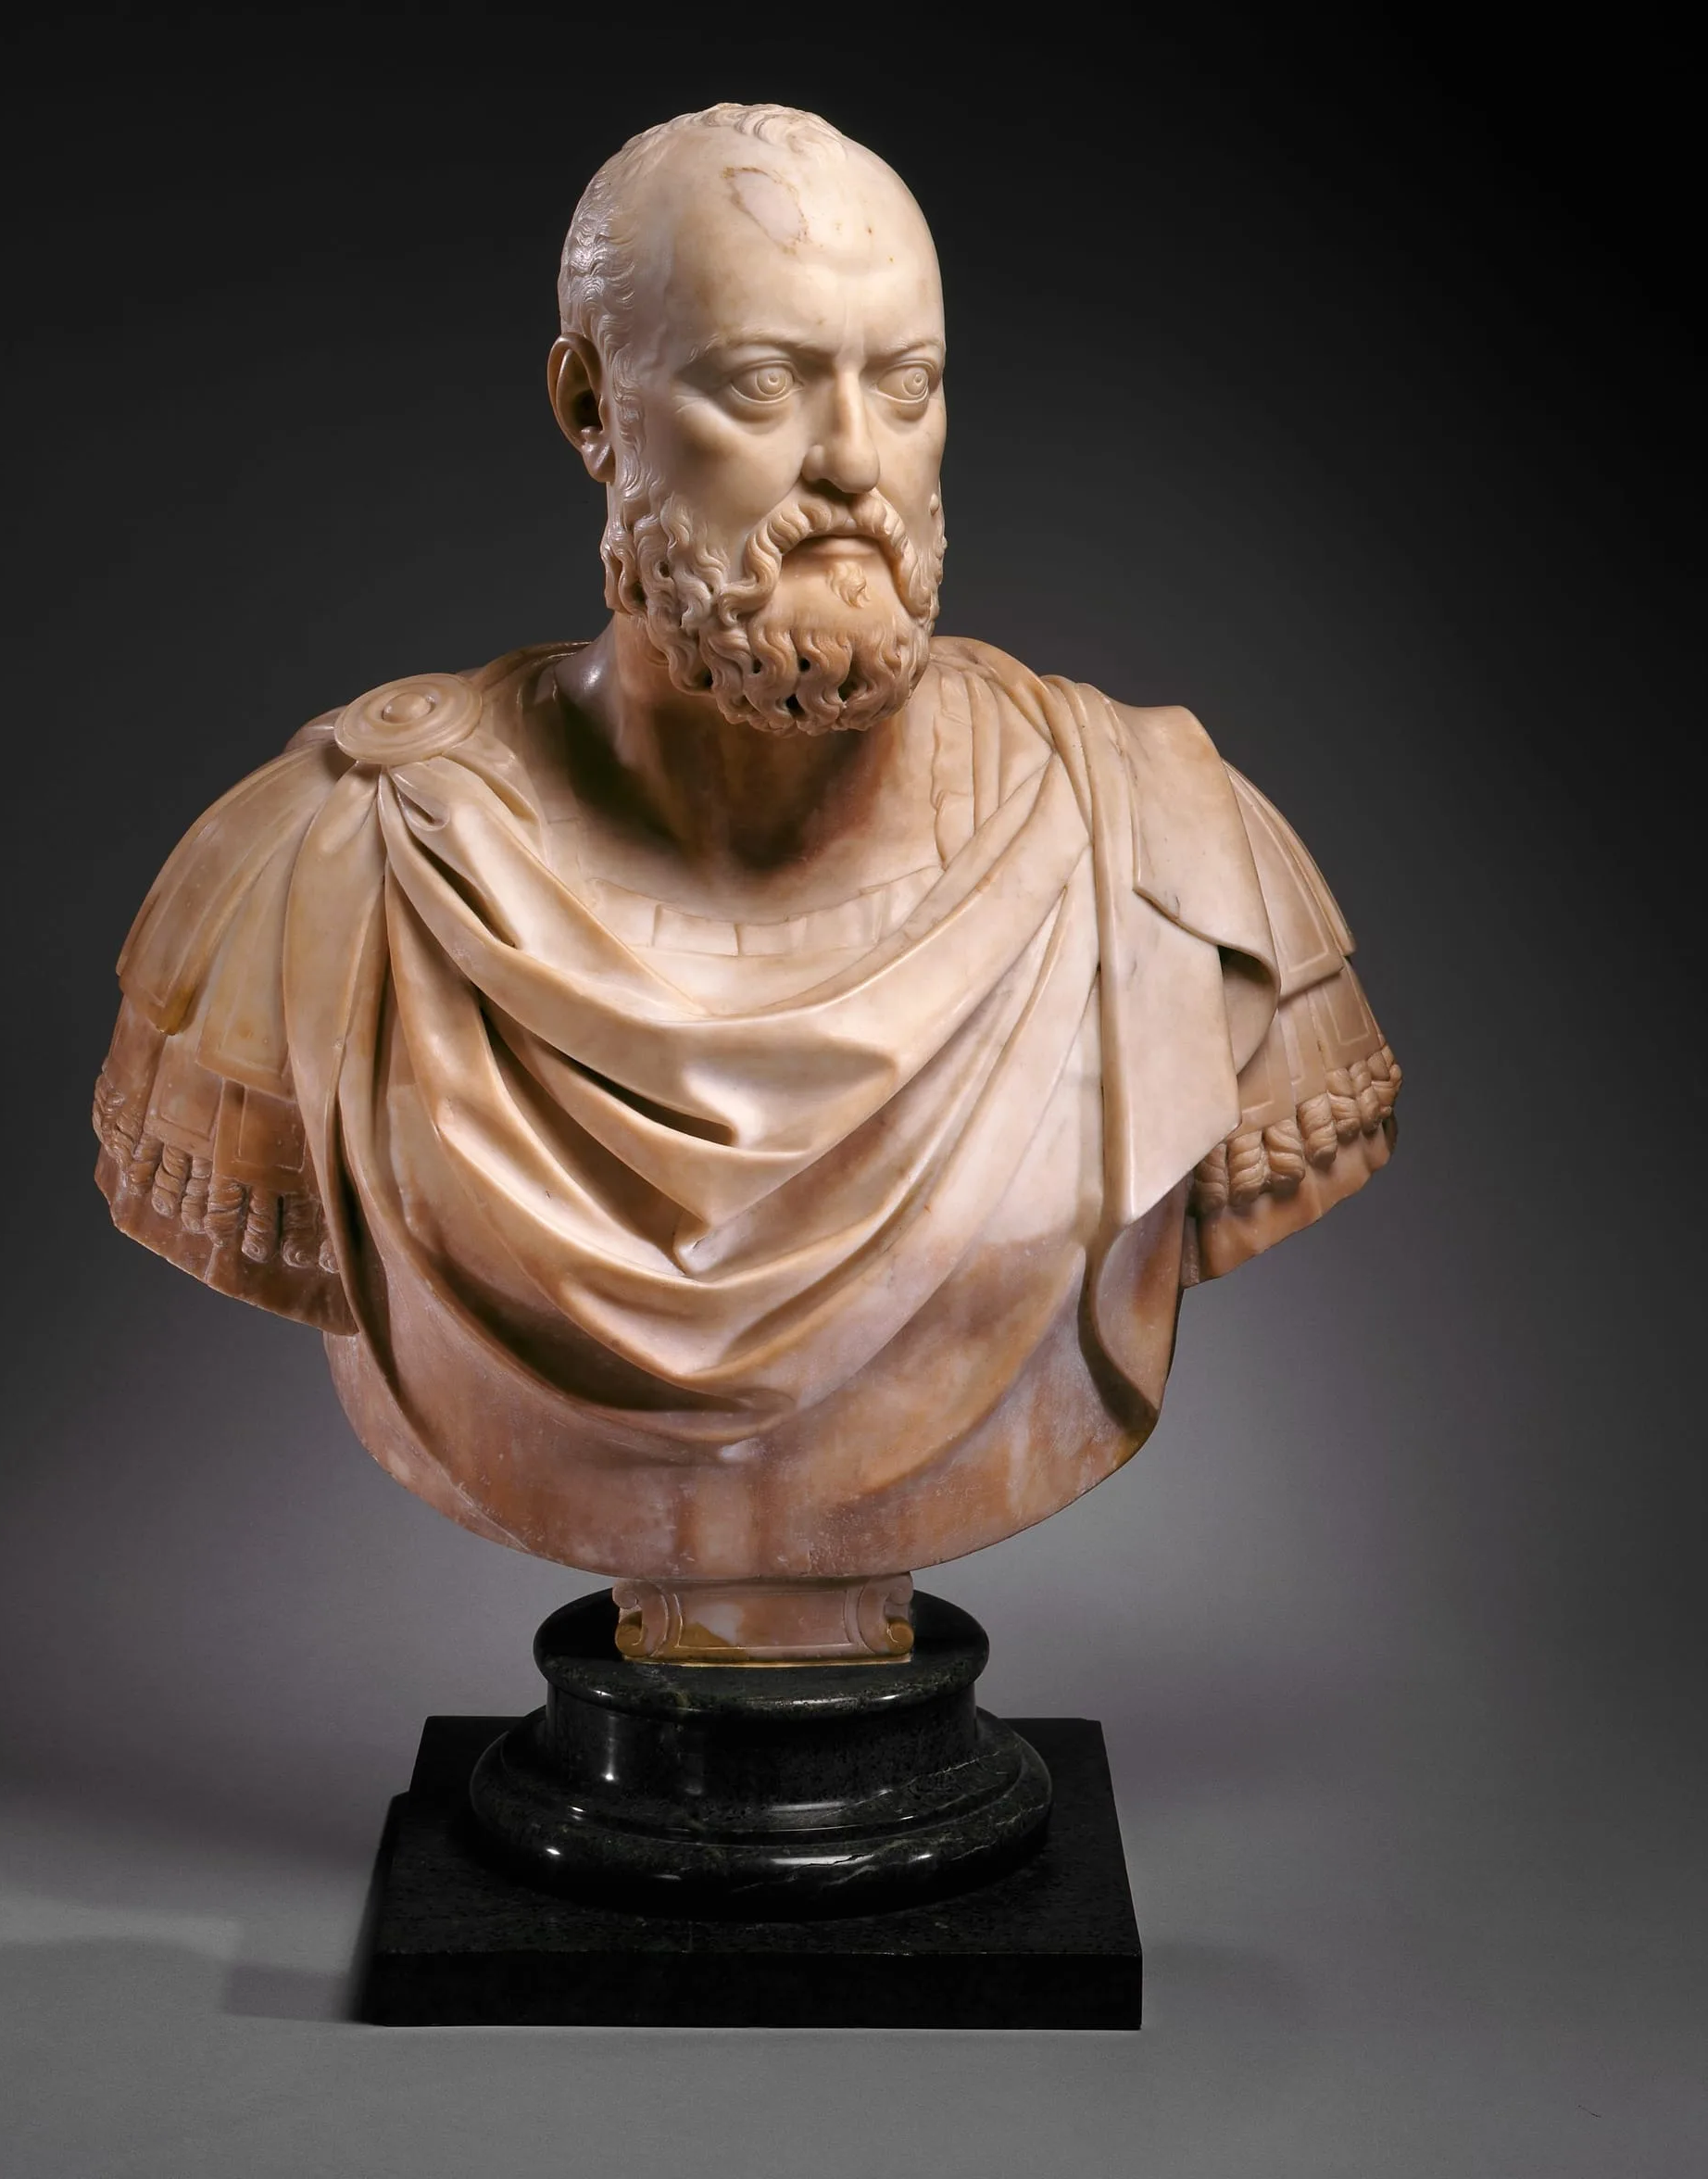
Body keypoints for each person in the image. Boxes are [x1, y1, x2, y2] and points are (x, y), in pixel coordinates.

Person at [94, 105, 1400, 1660]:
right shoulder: (324, 872)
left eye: (903, 386)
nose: (850, 463)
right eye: (764, 386)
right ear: (591, 406)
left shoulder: (1168, 857)